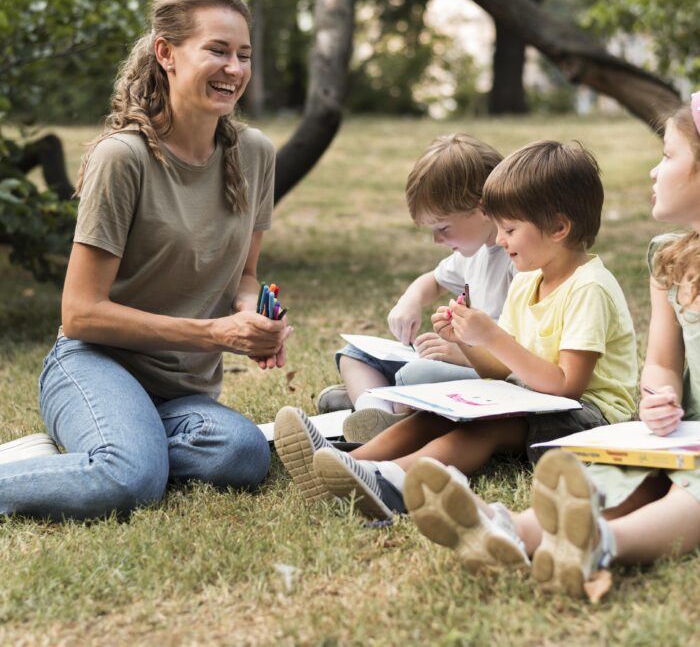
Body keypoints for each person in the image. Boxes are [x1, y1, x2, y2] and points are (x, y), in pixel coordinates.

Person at [0, 0, 291, 520]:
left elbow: (247, 276)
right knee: (129, 482)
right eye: (218, 50)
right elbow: (81, 314)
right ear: (166, 54)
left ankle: (119, 445)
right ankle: (118, 453)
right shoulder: (124, 158)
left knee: (244, 454)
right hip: (94, 365)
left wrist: (253, 320)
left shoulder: (254, 154)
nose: (234, 69)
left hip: (183, 394)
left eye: (243, 55)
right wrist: (211, 333)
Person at [404, 96, 700, 598]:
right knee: (629, 476)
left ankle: (600, 543)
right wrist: (659, 394)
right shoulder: (668, 259)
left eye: (669, 156)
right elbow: (662, 364)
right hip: (680, 435)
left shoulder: (589, 282)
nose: (654, 170)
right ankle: (511, 531)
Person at [276, 140, 637, 519]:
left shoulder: (588, 287)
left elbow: (567, 387)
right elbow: (500, 372)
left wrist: (493, 337)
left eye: (510, 229)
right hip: (535, 403)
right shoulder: (529, 282)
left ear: (559, 227)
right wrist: (468, 342)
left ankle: (390, 482)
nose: (499, 241)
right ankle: (339, 464)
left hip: (589, 421)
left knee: (481, 430)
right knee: (436, 416)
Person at [318, 133, 515, 444]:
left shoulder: (519, 258)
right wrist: (410, 301)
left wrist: (463, 355)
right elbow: (433, 281)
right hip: (459, 363)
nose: (437, 241)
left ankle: (382, 409)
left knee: (415, 375)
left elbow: (523, 349)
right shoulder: (473, 251)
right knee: (354, 354)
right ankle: (373, 413)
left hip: (493, 372)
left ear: (482, 209)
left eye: (443, 228)